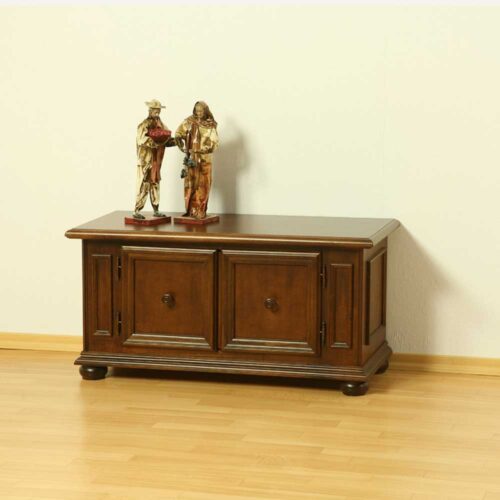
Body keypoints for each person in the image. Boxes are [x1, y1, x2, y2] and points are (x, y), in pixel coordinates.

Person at [133, 99, 177, 220]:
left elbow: (165, 140)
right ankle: (137, 209)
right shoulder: (144, 125)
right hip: (146, 160)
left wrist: (175, 141)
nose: (157, 112)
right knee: (143, 184)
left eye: (158, 110)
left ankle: (156, 209)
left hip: (156, 161)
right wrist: (155, 141)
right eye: (154, 110)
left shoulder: (161, 124)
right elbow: (141, 140)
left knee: (155, 183)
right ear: (150, 110)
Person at [175, 101, 219, 219]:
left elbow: (214, 143)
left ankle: (200, 210)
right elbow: (179, 132)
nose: (198, 113)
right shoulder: (189, 122)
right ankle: (191, 210)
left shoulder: (210, 125)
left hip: (204, 160)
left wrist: (203, 149)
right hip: (191, 159)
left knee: (203, 185)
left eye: (201, 111)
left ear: (206, 111)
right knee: (191, 184)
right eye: (197, 111)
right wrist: (178, 138)